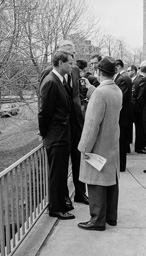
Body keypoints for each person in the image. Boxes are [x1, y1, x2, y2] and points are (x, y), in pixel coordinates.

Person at [39, 40, 90, 212]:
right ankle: (63, 199)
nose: (73, 58)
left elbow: (76, 95)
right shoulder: (49, 74)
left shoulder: (74, 69)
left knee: (78, 160)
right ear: (60, 55)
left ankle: (80, 193)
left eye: (74, 54)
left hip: (76, 123)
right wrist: (44, 133)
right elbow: (45, 104)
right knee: (60, 166)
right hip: (59, 127)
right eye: (70, 54)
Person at [77, 56, 123, 231]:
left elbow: (91, 125)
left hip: (98, 144)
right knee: (111, 181)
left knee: (96, 182)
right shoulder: (116, 90)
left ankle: (97, 220)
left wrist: (84, 147)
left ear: (98, 72)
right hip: (112, 141)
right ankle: (111, 216)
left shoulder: (99, 93)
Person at [38, 51, 75, 220]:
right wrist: (45, 135)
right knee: (56, 174)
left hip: (61, 135)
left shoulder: (59, 81)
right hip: (56, 136)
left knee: (60, 173)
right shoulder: (51, 82)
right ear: (60, 63)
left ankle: (61, 203)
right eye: (69, 63)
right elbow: (44, 113)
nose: (71, 66)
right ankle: (55, 208)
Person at [115, 59, 133, 172]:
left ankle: (121, 165)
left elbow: (120, 98)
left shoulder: (121, 79)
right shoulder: (124, 77)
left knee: (121, 142)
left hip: (123, 116)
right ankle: (120, 164)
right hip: (125, 115)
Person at [133, 61, 146, 154]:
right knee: (140, 129)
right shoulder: (142, 80)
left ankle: (139, 146)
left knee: (139, 128)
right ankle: (140, 147)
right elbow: (141, 96)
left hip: (137, 108)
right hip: (140, 109)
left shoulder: (137, 79)